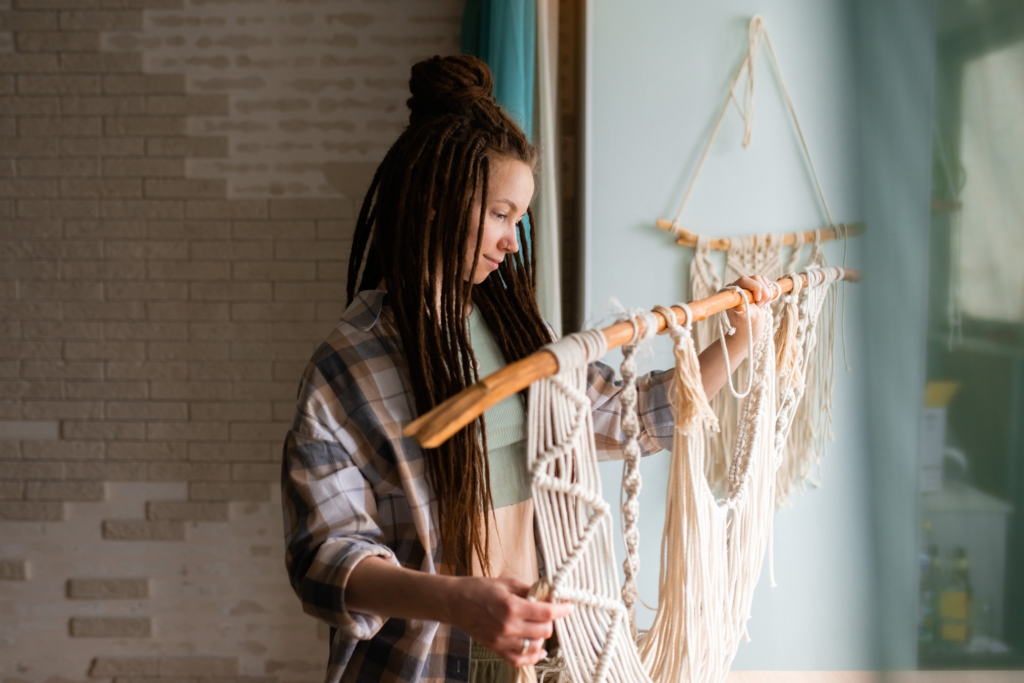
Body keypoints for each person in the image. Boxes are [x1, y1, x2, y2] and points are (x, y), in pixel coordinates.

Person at [281, 54, 775, 683]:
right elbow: (324, 560)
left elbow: (631, 419)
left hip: (533, 658)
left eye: (519, 219)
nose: (513, 241)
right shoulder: (350, 364)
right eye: (499, 215)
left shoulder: (512, 335)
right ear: (438, 202)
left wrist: (737, 340)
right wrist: (458, 599)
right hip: (426, 663)